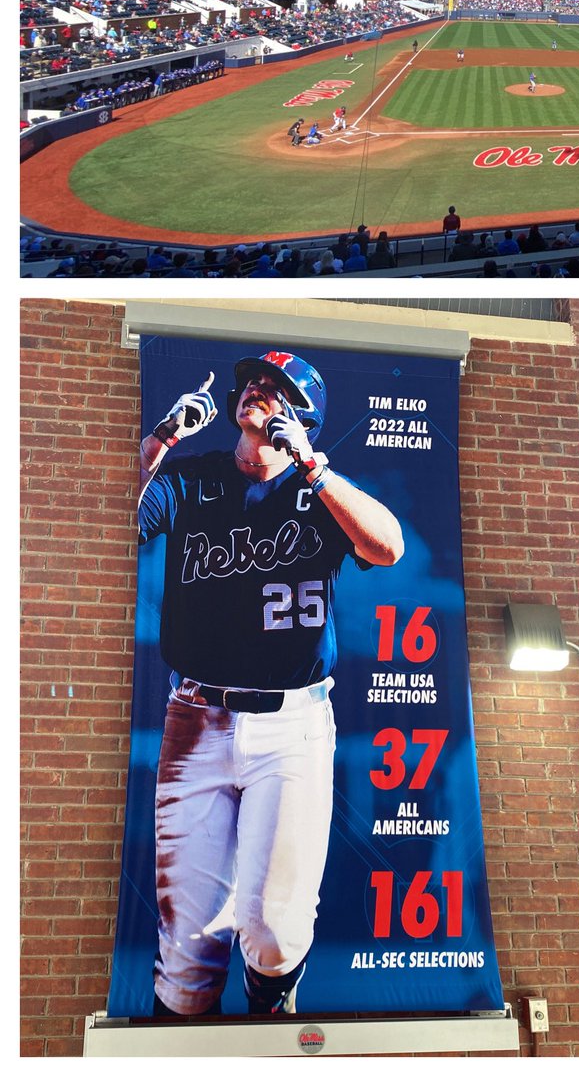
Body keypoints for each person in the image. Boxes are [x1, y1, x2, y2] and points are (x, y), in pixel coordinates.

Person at [139, 353, 404, 1016]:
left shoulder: (320, 491)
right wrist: (162, 439)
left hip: (291, 722)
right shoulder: (191, 476)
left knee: (273, 932)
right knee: (188, 948)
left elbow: (387, 547)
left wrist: (313, 463)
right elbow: (110, 519)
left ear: (301, 414)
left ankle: (271, 1016)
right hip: (196, 714)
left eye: (278, 389)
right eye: (255, 381)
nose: (259, 390)